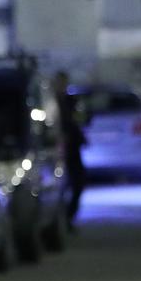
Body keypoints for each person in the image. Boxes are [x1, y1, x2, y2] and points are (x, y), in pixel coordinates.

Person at [52, 70, 87, 230]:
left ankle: (68, 217)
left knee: (78, 183)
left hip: (72, 148)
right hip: (57, 150)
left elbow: (81, 119)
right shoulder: (52, 103)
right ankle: (61, 221)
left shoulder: (71, 101)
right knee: (60, 187)